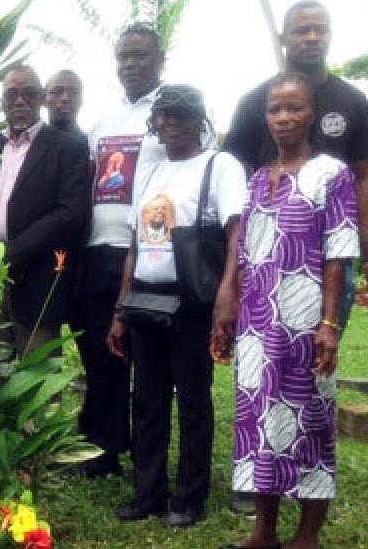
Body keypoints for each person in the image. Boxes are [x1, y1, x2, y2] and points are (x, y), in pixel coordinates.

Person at [213, 73, 358, 549]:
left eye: (294, 108)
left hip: (306, 324)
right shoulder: (257, 180)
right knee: (260, 424)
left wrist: (330, 323)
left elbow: (339, 251)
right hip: (258, 323)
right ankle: (263, 533)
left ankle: (307, 536)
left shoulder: (333, 174)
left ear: (312, 113)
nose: (283, 117)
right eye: (275, 109)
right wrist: (229, 301)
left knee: (311, 421)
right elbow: (246, 249)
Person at [75, 23, 215, 478]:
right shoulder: (102, 120)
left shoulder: (175, 114)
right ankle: (107, 448)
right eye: (124, 56)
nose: (131, 64)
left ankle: (152, 456)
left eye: (140, 56)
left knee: (153, 363)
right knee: (106, 353)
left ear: (159, 59)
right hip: (102, 248)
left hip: (156, 255)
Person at [106, 85, 247, 528]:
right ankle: (148, 492)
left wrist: (228, 294)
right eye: (163, 116)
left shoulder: (219, 165)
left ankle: (189, 497)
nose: (169, 124)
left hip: (191, 300)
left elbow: (236, 234)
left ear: (198, 118)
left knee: (191, 400)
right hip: (146, 299)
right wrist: (119, 309)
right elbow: (134, 244)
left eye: (179, 116)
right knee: (146, 401)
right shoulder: (151, 172)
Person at [224, 0, 368, 309]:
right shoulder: (256, 101)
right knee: (265, 345)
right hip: (267, 253)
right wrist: (232, 268)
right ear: (283, 38)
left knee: (323, 347)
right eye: (301, 31)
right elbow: (232, 180)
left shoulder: (351, 100)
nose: (312, 37)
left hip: (332, 254)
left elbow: (362, 178)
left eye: (320, 30)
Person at [0, 66, 90, 352]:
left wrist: (10, 253)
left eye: (28, 93)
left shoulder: (67, 149)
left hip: (39, 280)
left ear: (42, 98)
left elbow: (69, 213)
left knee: (37, 384)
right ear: (2, 102)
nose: (20, 101)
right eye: (11, 95)